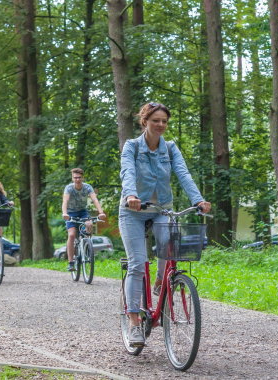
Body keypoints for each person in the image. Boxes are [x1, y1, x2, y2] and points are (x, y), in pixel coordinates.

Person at [119, 102, 211, 346]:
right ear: (144, 122)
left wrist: (198, 199)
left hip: (162, 209)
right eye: (155, 120)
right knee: (138, 264)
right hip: (133, 211)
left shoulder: (170, 148)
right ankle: (134, 323)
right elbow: (127, 171)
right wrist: (130, 195)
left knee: (170, 255)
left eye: (164, 121)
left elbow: (183, 173)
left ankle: (161, 282)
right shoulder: (132, 147)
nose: (160, 125)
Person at [62, 168, 106, 271]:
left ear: (83, 177)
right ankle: (71, 262)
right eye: (75, 177)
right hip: (70, 213)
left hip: (82, 212)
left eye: (79, 177)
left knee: (89, 225)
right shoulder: (69, 188)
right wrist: (64, 213)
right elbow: (65, 201)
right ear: (72, 178)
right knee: (72, 235)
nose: (77, 179)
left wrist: (101, 212)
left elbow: (94, 199)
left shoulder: (87, 187)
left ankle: (86, 246)